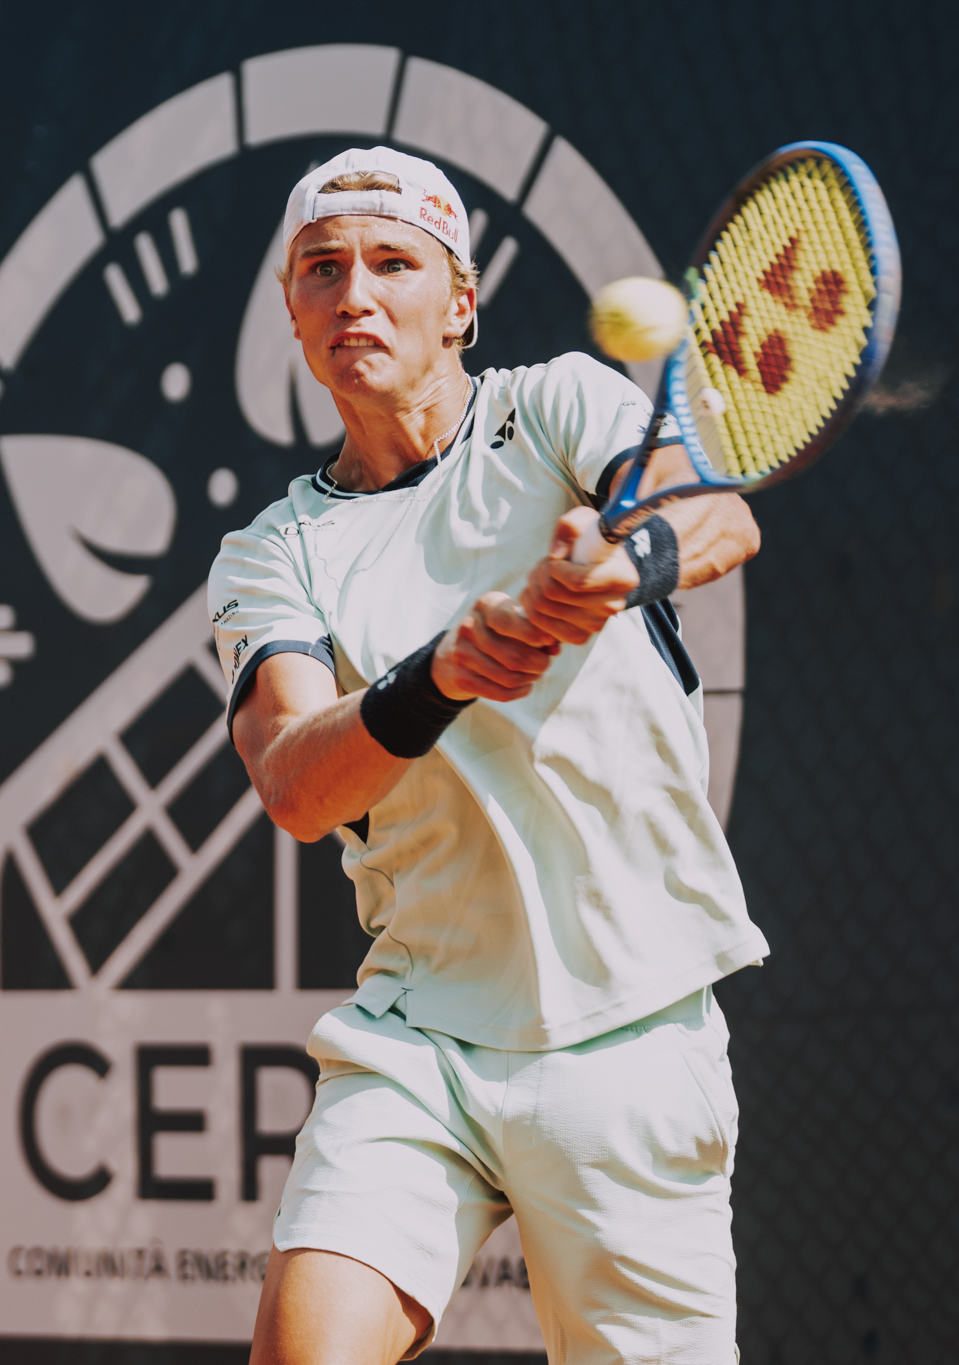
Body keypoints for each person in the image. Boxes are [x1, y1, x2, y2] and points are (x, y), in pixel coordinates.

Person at [210, 146, 767, 1365]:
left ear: (460, 303)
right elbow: (294, 783)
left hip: (628, 1024)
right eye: (321, 270)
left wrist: (619, 567)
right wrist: (443, 673)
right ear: (293, 315)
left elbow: (714, 513)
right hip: (420, 1030)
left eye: (392, 263)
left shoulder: (559, 407)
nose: (355, 294)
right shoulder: (273, 551)